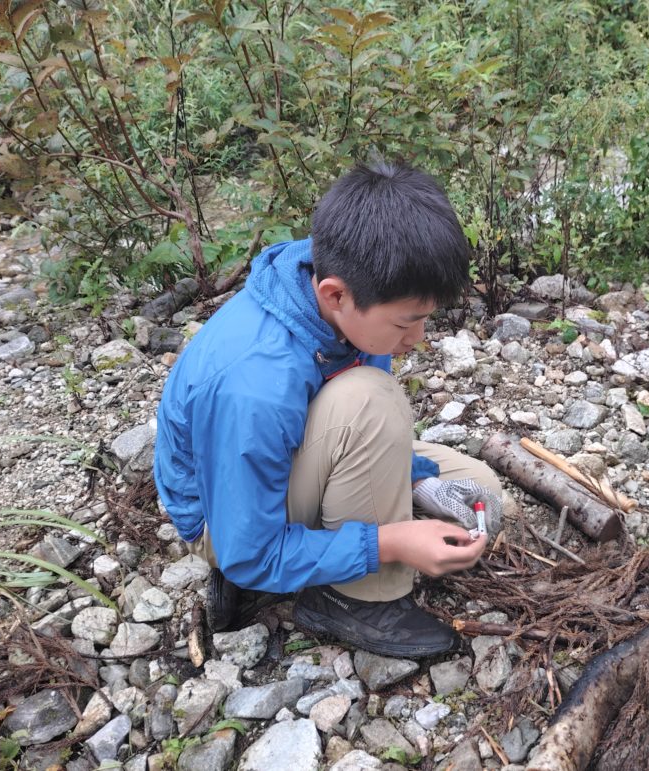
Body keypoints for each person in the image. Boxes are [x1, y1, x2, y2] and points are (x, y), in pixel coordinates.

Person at [153, 162, 504, 659]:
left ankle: (334, 548)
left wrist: (423, 485)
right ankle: (352, 599)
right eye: (406, 323)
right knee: (371, 399)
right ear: (334, 294)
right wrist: (391, 544)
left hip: (300, 449)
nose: (418, 338)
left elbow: (349, 423)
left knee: (480, 489)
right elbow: (248, 552)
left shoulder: (350, 288)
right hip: (225, 523)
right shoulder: (254, 384)